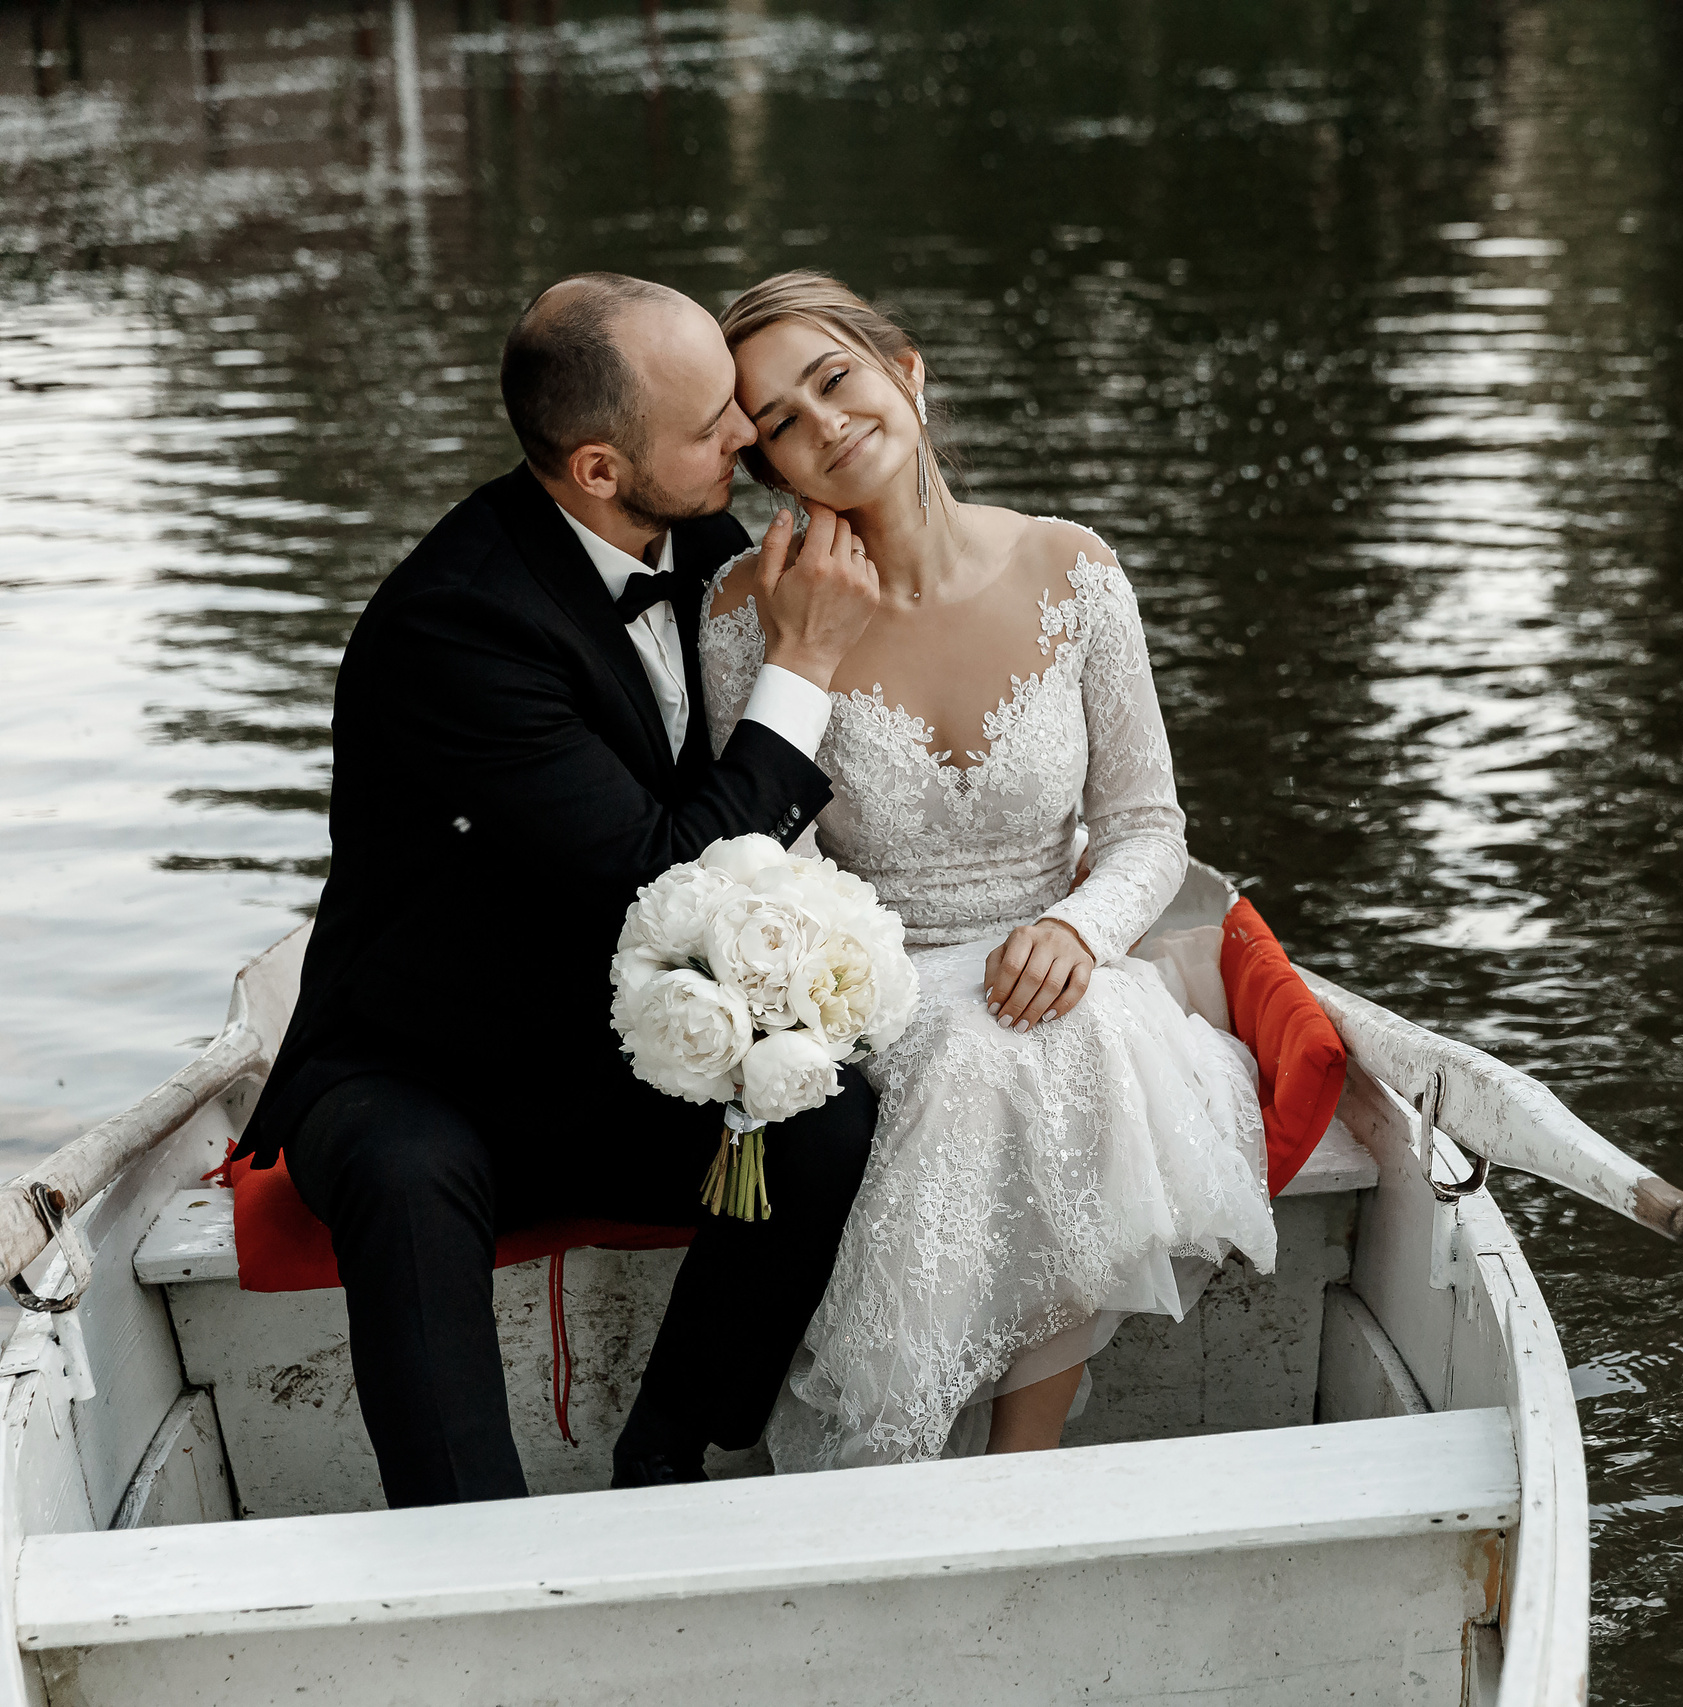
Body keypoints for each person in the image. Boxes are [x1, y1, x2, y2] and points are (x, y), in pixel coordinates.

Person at [233, 273, 885, 1505]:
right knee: (407, 1179)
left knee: (826, 1120)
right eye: (713, 427)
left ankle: (675, 1447)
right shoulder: (455, 627)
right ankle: (475, 1554)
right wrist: (803, 665)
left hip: (615, 1060)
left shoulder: (707, 538)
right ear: (597, 470)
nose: (749, 434)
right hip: (422, 1064)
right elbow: (664, 876)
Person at [700, 269, 1276, 1468]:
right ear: (773, 472)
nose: (824, 425)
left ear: (904, 370)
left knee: (1065, 1033)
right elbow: (768, 859)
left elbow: (1144, 825)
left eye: (834, 380)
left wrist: (1078, 931)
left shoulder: (1073, 570)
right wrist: (863, 983)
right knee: (975, 1052)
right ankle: (889, 1453)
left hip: (1064, 949)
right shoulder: (743, 615)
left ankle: (1022, 1468)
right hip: (875, 978)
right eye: (782, 425)